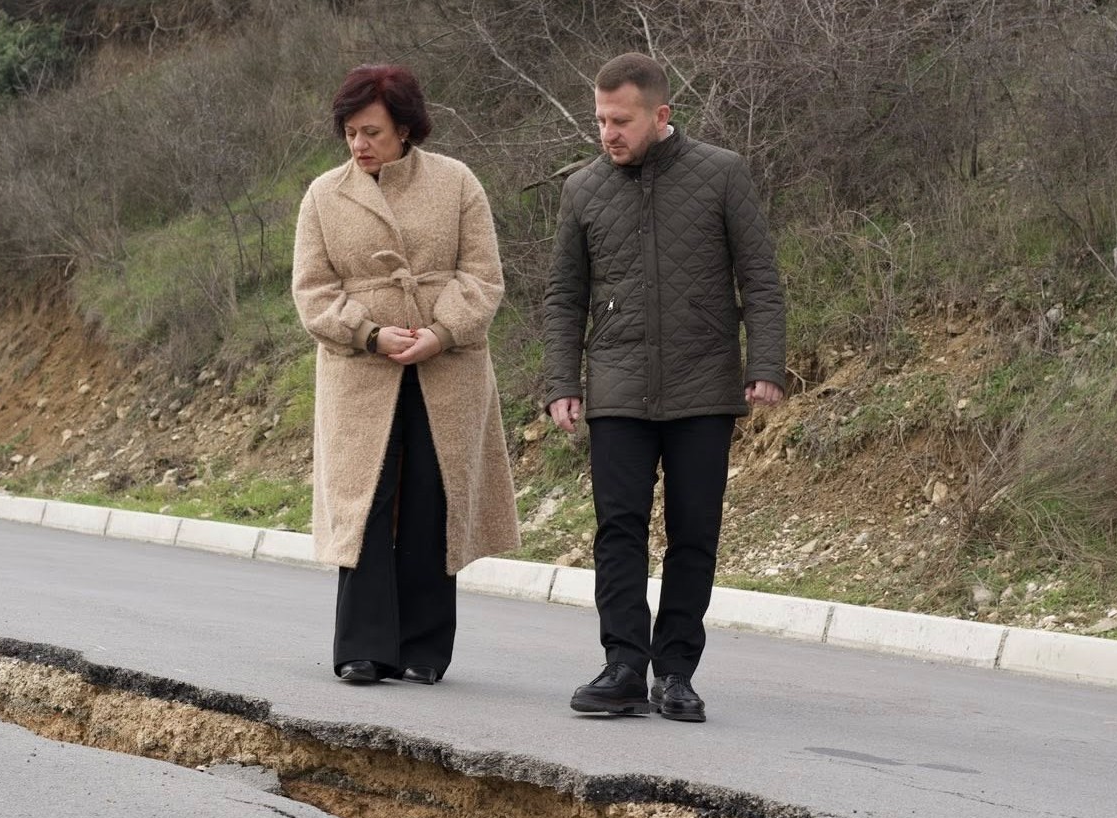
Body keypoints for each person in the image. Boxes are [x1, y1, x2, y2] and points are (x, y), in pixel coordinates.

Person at [542, 52, 786, 723]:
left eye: (621, 121)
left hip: (704, 385)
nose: (607, 133)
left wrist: (765, 363)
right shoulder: (583, 189)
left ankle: (675, 672)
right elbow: (564, 296)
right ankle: (623, 665)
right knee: (617, 529)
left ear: (661, 115)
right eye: (600, 120)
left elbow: (760, 280)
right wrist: (563, 379)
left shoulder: (723, 174)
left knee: (693, 533)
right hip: (618, 385)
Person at [292, 64, 520, 686]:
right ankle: (362, 648)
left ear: (405, 128)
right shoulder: (322, 194)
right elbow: (312, 292)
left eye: (372, 132)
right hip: (359, 370)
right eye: (350, 132)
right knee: (366, 500)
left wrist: (440, 333)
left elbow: (483, 276)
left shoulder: (456, 182)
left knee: (432, 495)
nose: (359, 144)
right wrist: (369, 333)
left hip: (447, 368)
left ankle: (424, 648)